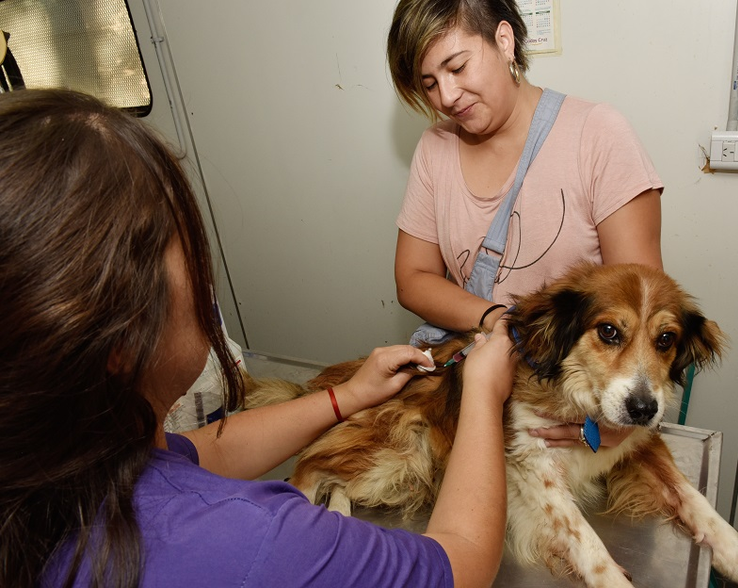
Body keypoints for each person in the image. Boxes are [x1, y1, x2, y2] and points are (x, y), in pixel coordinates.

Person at [0, 89, 516, 588]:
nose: (207, 281)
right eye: (188, 249)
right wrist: (481, 395)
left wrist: (347, 397)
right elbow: (460, 564)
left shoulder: (62, 464)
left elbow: (197, 455)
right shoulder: (258, 541)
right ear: (122, 334)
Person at [387, 0, 664, 449]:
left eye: (457, 67)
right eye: (430, 83)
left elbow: (643, 307)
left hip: (572, 398)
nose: (447, 96)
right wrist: (500, 321)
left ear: (503, 40)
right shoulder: (434, 148)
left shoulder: (598, 134)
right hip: (476, 382)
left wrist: (614, 422)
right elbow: (413, 279)